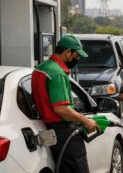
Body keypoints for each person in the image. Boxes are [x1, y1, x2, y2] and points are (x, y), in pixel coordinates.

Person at [31, 35, 99, 173]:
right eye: (76, 55)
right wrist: (85, 120)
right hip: (63, 131)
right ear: (67, 52)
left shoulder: (42, 67)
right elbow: (61, 109)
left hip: (49, 128)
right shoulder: (57, 73)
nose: (77, 59)